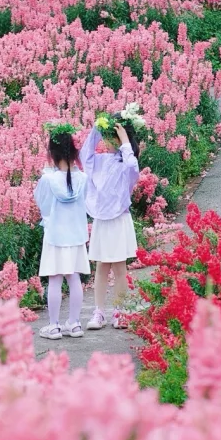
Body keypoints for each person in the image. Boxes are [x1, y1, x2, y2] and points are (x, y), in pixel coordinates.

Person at [80, 115, 139, 330]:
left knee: (120, 267)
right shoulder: (102, 161)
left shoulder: (126, 164)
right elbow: (85, 155)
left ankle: (121, 311)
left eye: (109, 137)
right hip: (102, 220)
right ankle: (99, 312)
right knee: (102, 267)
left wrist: (124, 139)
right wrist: (97, 129)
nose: (106, 141)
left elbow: (133, 165)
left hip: (119, 219)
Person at [33, 126, 89, 339]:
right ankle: (74, 324)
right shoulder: (82, 178)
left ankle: (54, 325)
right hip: (76, 236)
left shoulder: (48, 179)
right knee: (74, 278)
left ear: (53, 154)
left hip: (56, 236)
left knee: (55, 280)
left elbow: (43, 205)